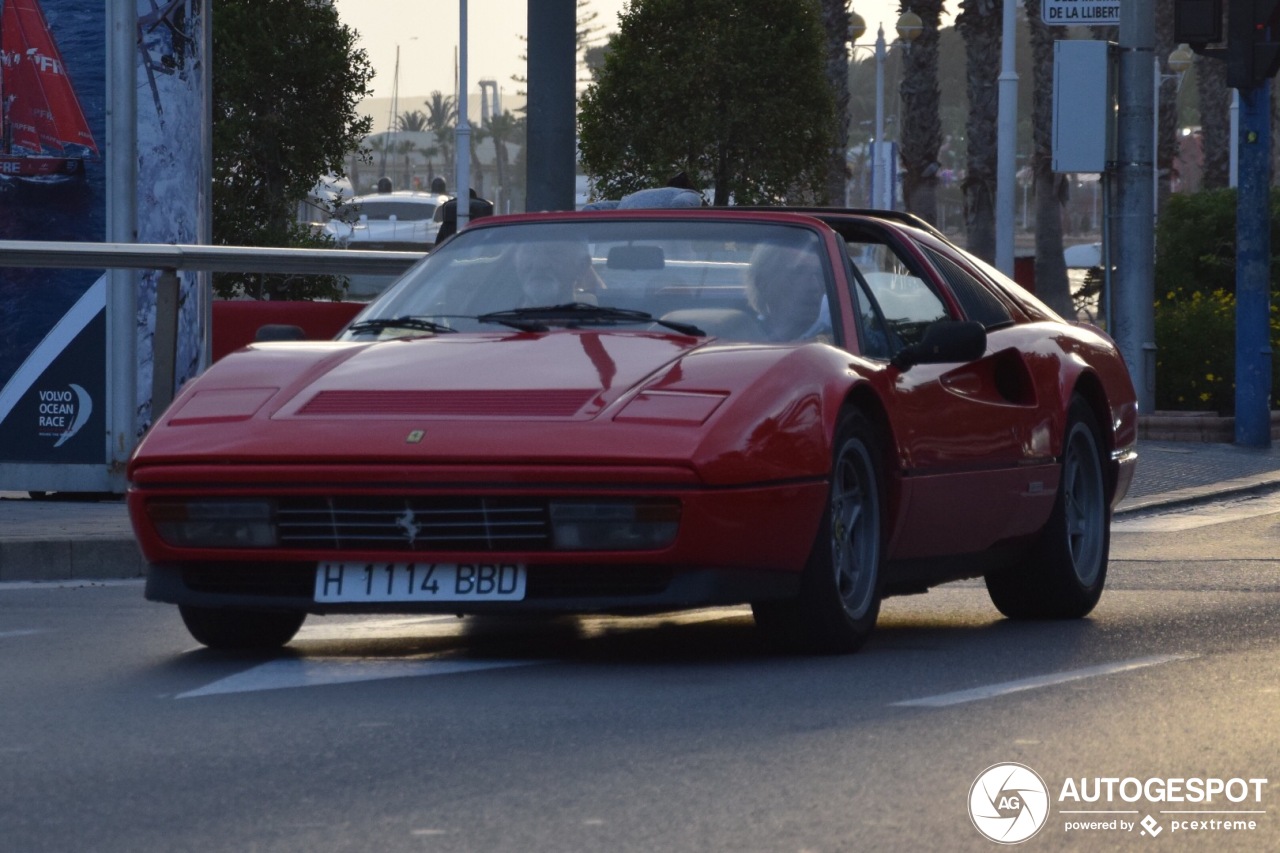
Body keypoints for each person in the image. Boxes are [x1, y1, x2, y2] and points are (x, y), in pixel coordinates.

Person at [745, 241, 831, 342]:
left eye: (819, 274)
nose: (815, 286)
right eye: (798, 272)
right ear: (762, 283)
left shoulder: (841, 339)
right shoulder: (741, 342)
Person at [511, 239, 603, 307]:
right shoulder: (497, 322)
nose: (540, 264)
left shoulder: (603, 326)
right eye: (530, 251)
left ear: (582, 266)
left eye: (554, 252)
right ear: (515, 261)